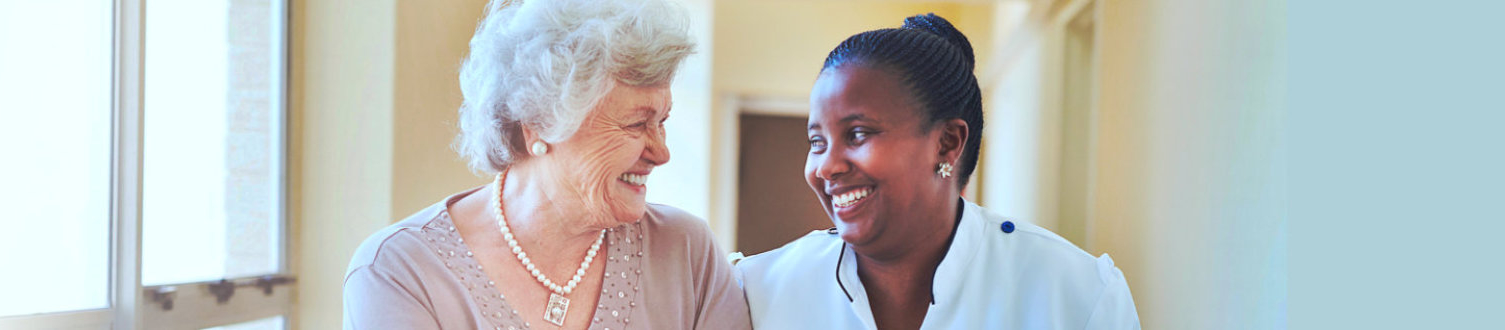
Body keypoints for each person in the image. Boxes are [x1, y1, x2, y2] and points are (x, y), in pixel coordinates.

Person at [342, 0, 750, 329]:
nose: (661, 153)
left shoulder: (684, 251)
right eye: (636, 124)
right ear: (538, 124)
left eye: (662, 122)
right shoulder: (401, 271)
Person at [735, 13, 1141, 329]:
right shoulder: (757, 292)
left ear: (947, 143)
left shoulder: (1076, 294)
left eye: (857, 134)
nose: (826, 166)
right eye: (817, 142)